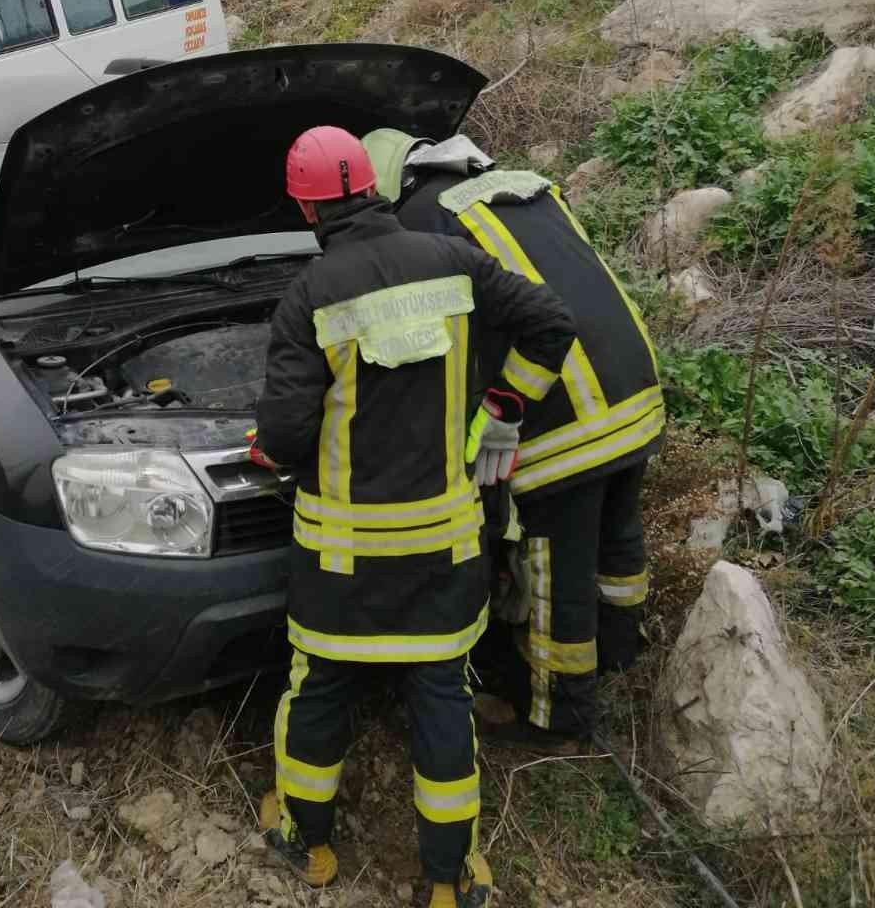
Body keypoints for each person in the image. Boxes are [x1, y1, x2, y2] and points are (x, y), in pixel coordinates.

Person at [255, 126, 576, 907]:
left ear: (306, 207)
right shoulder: (454, 262)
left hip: (342, 563)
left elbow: (290, 434)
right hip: (443, 550)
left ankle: (308, 839)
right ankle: (447, 879)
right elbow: (551, 322)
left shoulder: (310, 297)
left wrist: (269, 448)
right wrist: (506, 403)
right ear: (374, 186)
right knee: (441, 696)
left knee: (321, 686)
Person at [361, 128, 665, 749]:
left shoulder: (420, 222)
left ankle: (561, 719)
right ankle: (622, 654)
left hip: (564, 418)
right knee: (619, 536)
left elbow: (433, 341)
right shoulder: (522, 187)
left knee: (558, 574)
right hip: (634, 389)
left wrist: (497, 407)